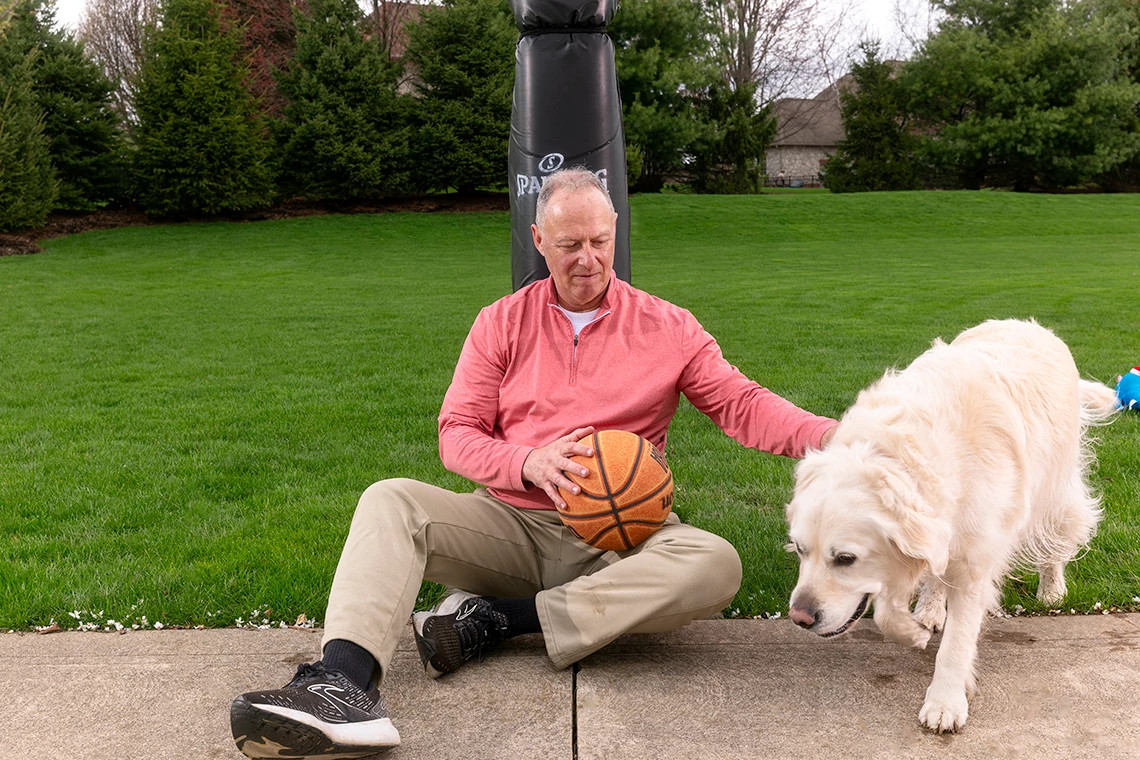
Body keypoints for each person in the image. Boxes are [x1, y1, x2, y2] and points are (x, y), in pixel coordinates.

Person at [229, 167, 838, 758]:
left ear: (616, 230)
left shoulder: (669, 326)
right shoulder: (500, 323)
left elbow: (742, 405)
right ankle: (340, 687)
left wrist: (842, 436)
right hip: (513, 528)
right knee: (390, 500)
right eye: (569, 244)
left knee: (715, 563)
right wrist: (529, 462)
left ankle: (499, 620)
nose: (588, 258)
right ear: (539, 241)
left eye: (600, 241)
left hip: (620, 541)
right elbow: (456, 434)